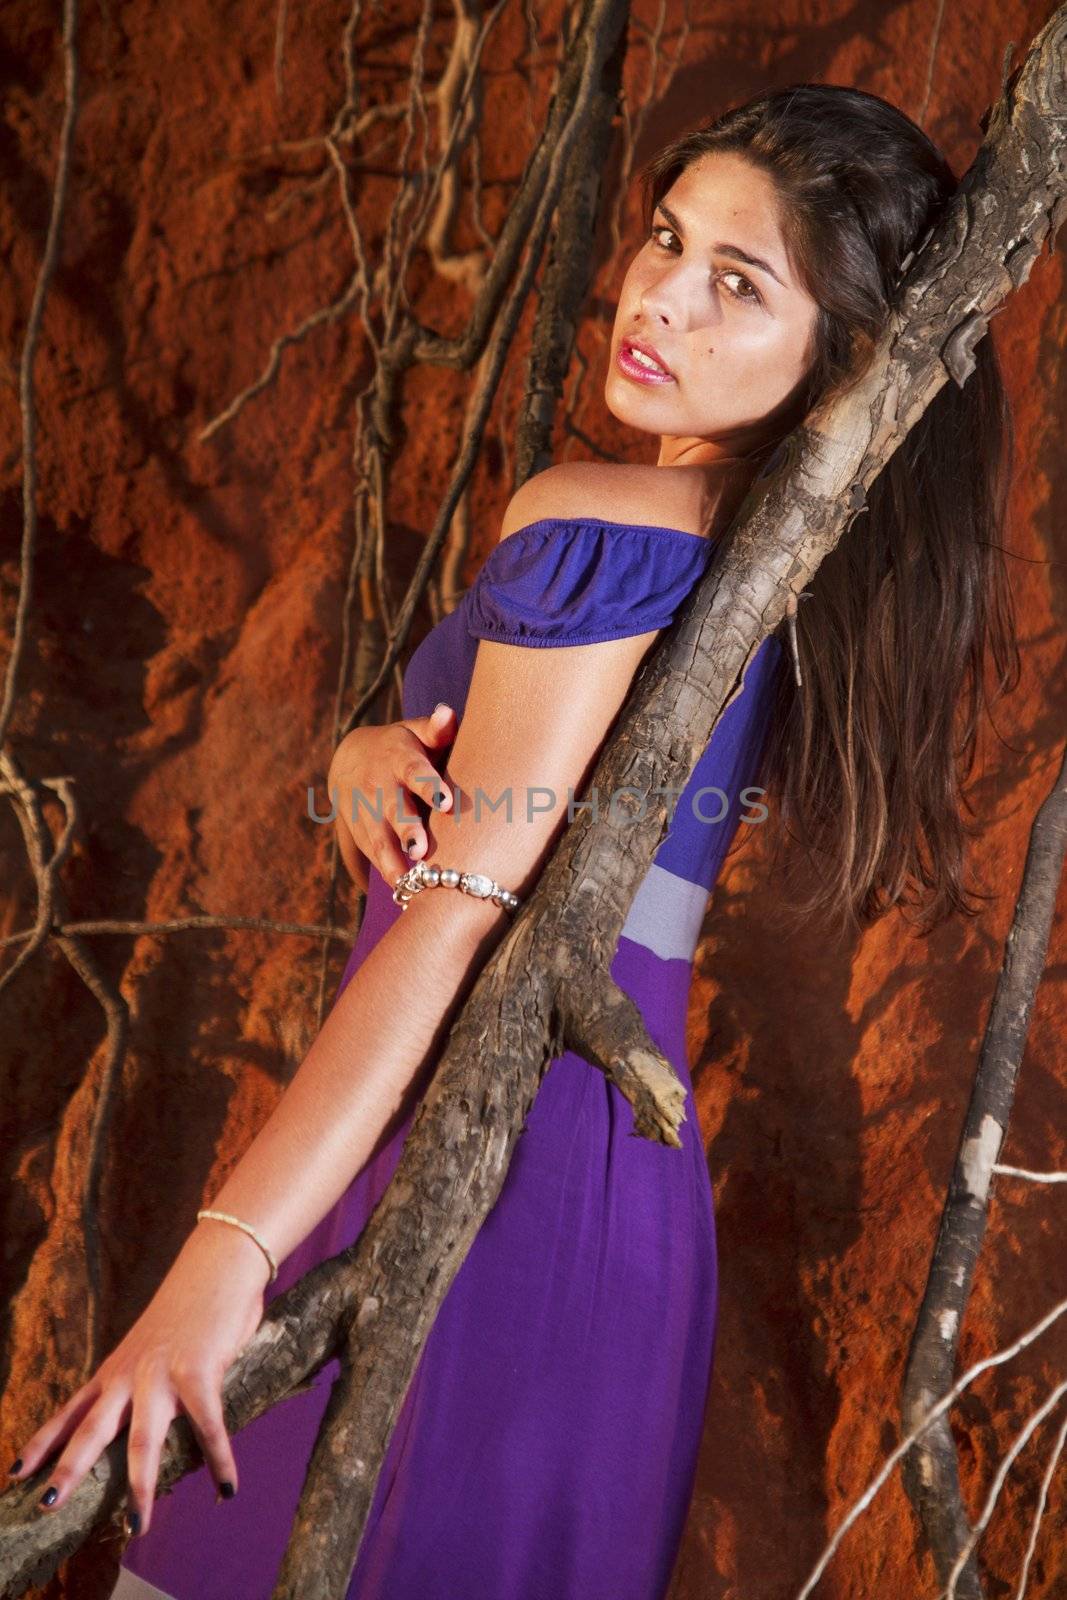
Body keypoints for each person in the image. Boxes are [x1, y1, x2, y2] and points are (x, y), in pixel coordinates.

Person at [9, 82, 1018, 1599]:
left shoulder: (596, 520)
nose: (657, 297)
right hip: (623, 1237)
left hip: (478, 1170)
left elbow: (456, 915)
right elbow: (539, 812)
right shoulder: (787, 578)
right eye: (667, 239)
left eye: (736, 286)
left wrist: (218, 1266)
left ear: (847, 358)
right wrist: (370, 748)